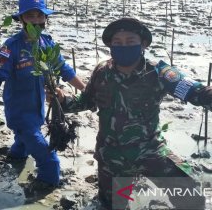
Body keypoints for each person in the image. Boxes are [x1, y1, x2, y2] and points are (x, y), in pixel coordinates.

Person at [55, 18, 212, 209]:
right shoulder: (102, 72)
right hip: (111, 156)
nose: (123, 46)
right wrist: (63, 101)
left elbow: (195, 92)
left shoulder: (159, 72)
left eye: (130, 41)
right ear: (110, 46)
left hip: (150, 152)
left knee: (192, 196)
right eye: (117, 42)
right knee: (115, 205)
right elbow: (87, 102)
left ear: (143, 44)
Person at [0, 0, 85, 189]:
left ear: (45, 19)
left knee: (23, 143)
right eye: (30, 16)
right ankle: (45, 187)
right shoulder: (12, 46)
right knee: (49, 161)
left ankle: (15, 158)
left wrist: (86, 90)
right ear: (21, 19)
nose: (36, 20)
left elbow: (64, 69)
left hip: (37, 112)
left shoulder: (47, 43)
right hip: (20, 114)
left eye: (39, 15)